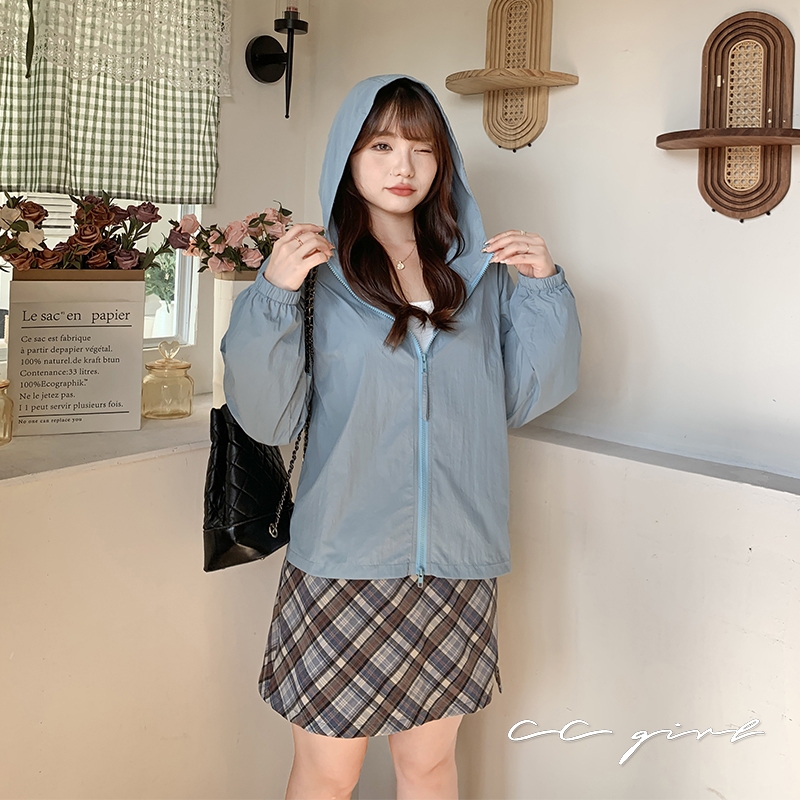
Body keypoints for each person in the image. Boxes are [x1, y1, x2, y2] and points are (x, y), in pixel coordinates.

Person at [220, 74, 581, 800]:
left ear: (444, 162)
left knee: (430, 766)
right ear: (348, 156)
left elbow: (516, 399)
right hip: (342, 561)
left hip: (456, 562)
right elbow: (268, 416)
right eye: (381, 145)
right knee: (329, 774)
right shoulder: (313, 275)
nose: (403, 166)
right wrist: (272, 297)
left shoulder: (477, 277)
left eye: (422, 148)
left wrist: (544, 290)